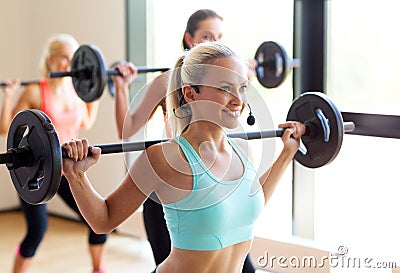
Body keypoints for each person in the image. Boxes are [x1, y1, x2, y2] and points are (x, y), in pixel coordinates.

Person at [62, 41, 305, 273]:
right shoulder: (164, 158)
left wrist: (286, 153)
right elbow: (104, 220)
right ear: (190, 93)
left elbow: (254, 197)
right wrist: (76, 175)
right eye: (224, 88)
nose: (238, 100)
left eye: (242, 88)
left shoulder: (242, 148)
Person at [112, 9, 257, 272]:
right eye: (206, 36)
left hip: (215, 184)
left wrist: (242, 79)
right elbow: (128, 128)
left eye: (219, 36)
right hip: (173, 185)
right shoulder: (167, 81)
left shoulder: (227, 81)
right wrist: (122, 88)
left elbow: (233, 110)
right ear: (189, 38)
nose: (213, 41)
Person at [0, 34, 106, 273]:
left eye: (73, 59)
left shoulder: (77, 92)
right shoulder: (36, 91)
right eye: (63, 58)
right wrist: (7, 97)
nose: (69, 65)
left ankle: (99, 269)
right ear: (50, 60)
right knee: (37, 230)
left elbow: (87, 121)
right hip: (37, 168)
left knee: (99, 220)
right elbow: (7, 128)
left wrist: (96, 87)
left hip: (66, 168)